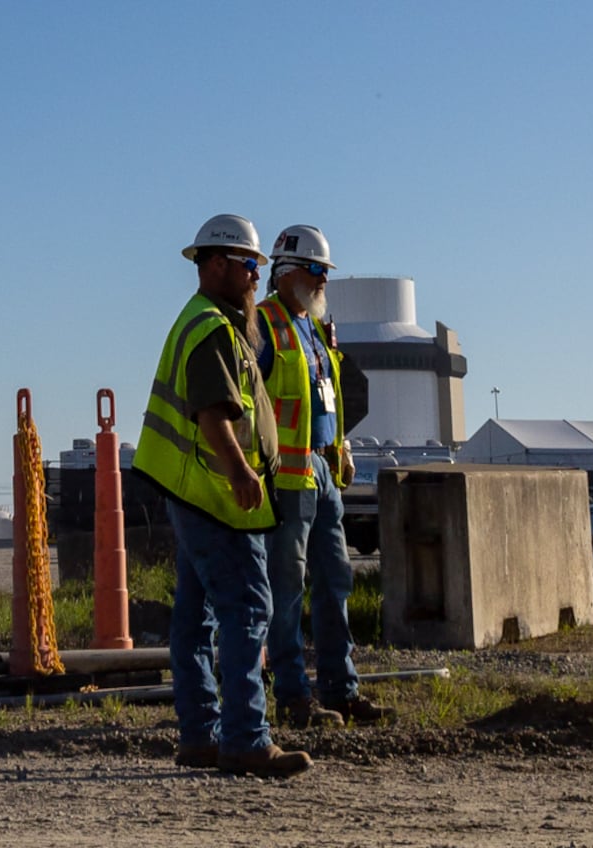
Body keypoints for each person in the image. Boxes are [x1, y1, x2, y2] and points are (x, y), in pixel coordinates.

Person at [132, 213, 310, 778]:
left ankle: (201, 736)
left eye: (256, 266)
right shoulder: (211, 326)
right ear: (214, 265)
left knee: (195, 617)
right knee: (248, 607)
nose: (257, 275)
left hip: (194, 493)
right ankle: (245, 738)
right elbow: (213, 413)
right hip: (215, 497)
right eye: (248, 265)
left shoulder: (217, 323)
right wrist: (241, 474)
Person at [254, 223, 379, 726]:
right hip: (286, 480)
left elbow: (324, 398)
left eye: (325, 272)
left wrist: (340, 446)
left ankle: (340, 687)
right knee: (286, 590)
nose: (323, 280)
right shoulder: (262, 325)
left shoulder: (314, 328)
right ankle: (292, 696)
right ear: (287, 273)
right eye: (316, 271)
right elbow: (250, 404)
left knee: (336, 580)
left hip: (323, 474)